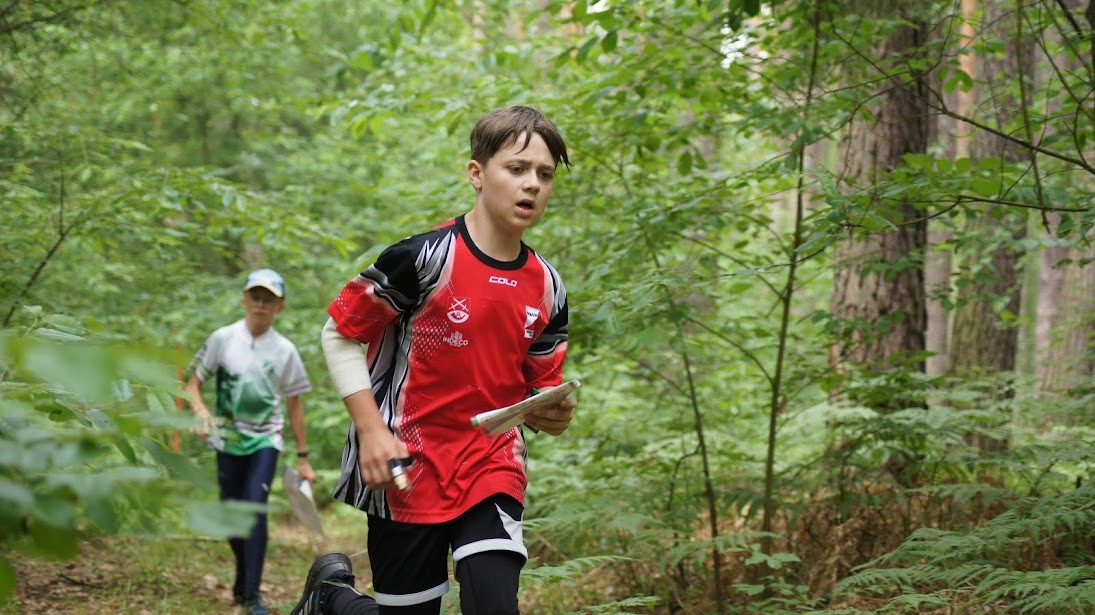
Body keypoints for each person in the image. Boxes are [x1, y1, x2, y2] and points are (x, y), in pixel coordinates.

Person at [300, 105, 578, 615]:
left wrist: (552, 413)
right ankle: (331, 599)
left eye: (545, 174)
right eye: (517, 168)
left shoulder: (548, 286)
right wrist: (371, 432)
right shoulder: (422, 259)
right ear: (477, 173)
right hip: (404, 466)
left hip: (491, 465)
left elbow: (540, 396)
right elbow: (338, 335)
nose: (532, 184)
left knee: (494, 605)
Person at [184, 268, 315, 615]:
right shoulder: (222, 339)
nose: (260, 305)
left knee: (254, 509)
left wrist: (303, 457)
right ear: (244, 301)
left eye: (268, 300)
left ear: (279, 308)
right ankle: (243, 579)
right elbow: (192, 383)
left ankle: (253, 596)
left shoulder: (285, 350)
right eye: (255, 298)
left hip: (265, 439)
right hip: (227, 437)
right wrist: (200, 410)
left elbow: (295, 405)